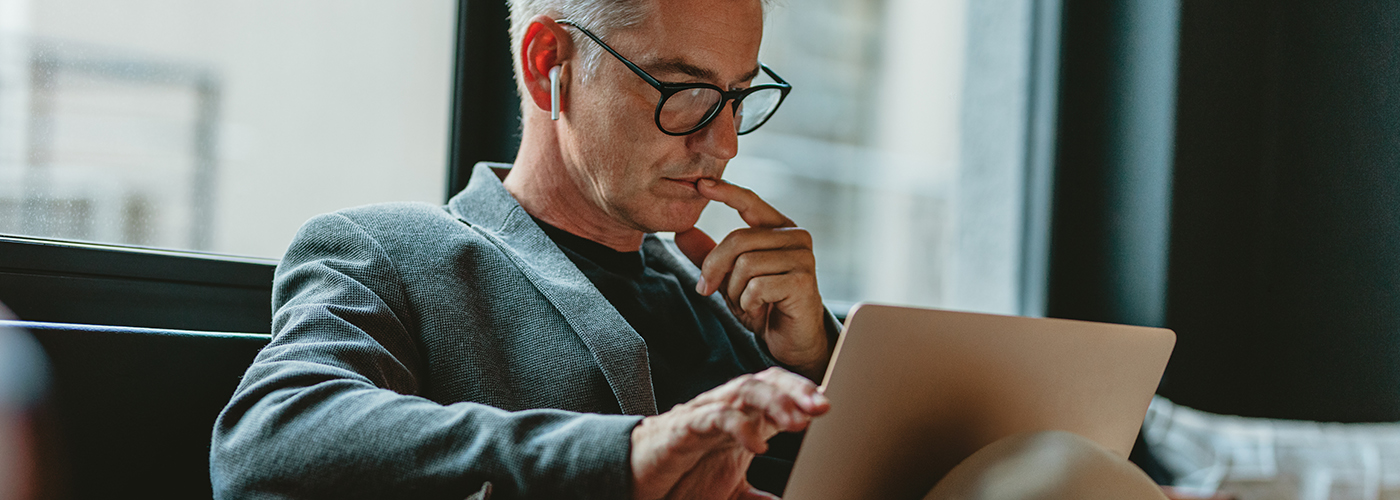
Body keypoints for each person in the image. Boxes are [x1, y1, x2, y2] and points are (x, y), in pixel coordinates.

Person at [210, 0, 1177, 498]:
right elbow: (269, 444)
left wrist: (824, 359)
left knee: (1061, 470)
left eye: (740, 93)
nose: (722, 141)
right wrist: (629, 457)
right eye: (682, 90)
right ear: (550, 64)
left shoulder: (743, 306)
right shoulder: (392, 252)